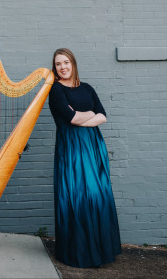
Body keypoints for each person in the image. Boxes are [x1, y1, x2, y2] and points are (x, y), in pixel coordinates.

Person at [49, 48, 121, 268]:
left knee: (99, 193)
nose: (63, 67)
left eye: (66, 62)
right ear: (55, 67)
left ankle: (101, 249)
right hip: (72, 149)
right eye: (58, 64)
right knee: (78, 196)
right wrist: (87, 115)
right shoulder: (56, 90)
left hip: (93, 146)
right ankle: (80, 252)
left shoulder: (87, 88)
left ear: (73, 64)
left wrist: (85, 117)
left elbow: (103, 115)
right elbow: (70, 117)